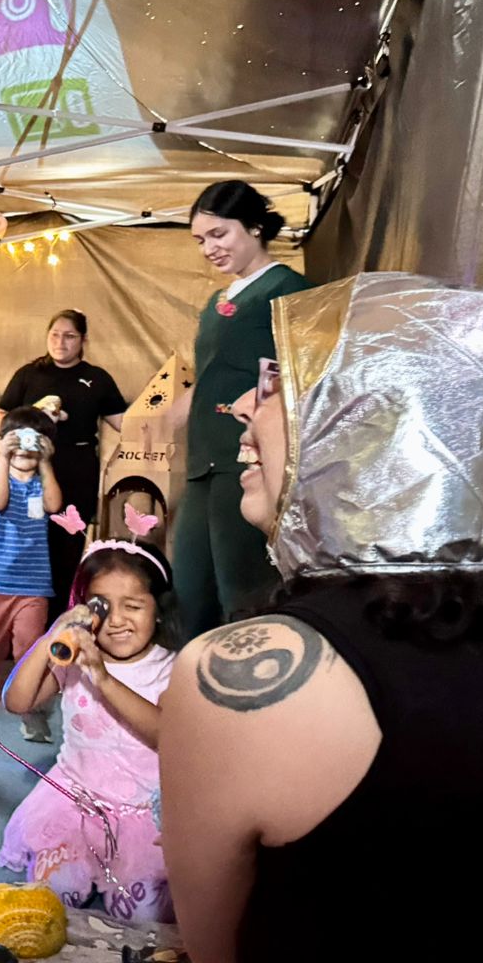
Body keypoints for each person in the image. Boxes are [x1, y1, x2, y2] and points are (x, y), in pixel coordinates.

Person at [158, 274, 483, 963]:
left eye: (282, 388)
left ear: (375, 430)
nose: (241, 410)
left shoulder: (240, 678)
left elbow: (215, 951)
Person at [1, 537, 177, 922]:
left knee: (145, 919)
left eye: (133, 606)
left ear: (159, 610)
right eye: (102, 606)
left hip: (140, 812)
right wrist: (49, 639)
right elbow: (17, 701)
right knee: (51, 897)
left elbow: (167, 736)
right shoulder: (74, 658)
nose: (116, 620)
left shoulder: (170, 668)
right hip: (74, 802)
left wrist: (103, 678)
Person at [170, 180, 310, 637]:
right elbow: (214, 373)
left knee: (242, 590)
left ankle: (249, 678)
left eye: (219, 234)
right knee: (190, 589)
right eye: (200, 240)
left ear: (254, 226)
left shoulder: (289, 289)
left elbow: (307, 374)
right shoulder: (216, 302)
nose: (209, 248)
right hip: (203, 460)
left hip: (250, 460)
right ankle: (193, 676)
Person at [0, 310, 128, 619]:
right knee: (31, 541)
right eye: (54, 334)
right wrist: (26, 420)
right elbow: (1, 413)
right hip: (31, 470)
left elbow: (124, 422)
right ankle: (25, 617)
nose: (60, 342)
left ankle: (58, 620)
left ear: (83, 340)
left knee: (67, 546)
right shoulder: (29, 373)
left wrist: (157, 410)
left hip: (77, 468)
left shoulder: (97, 378)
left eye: (69, 336)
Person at [0, 407, 62, 741]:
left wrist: (46, 463)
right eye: (16, 439)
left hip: (33, 586)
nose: (25, 446)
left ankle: (31, 708)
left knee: (30, 651)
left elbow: (54, 505)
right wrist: (3, 458)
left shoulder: (42, 481)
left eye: (34, 440)